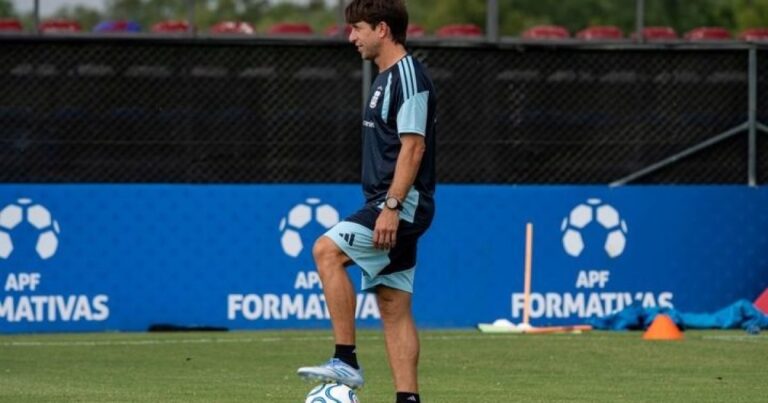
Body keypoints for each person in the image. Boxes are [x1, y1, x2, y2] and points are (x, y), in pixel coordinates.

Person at [296, 1, 436, 402]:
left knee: (326, 251)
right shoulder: (385, 78)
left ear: (382, 29)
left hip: (400, 205)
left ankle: (345, 360)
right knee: (393, 306)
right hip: (395, 202)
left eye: (356, 28)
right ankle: (408, 399)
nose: (351, 37)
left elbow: (414, 148)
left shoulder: (408, 77)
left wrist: (391, 208)